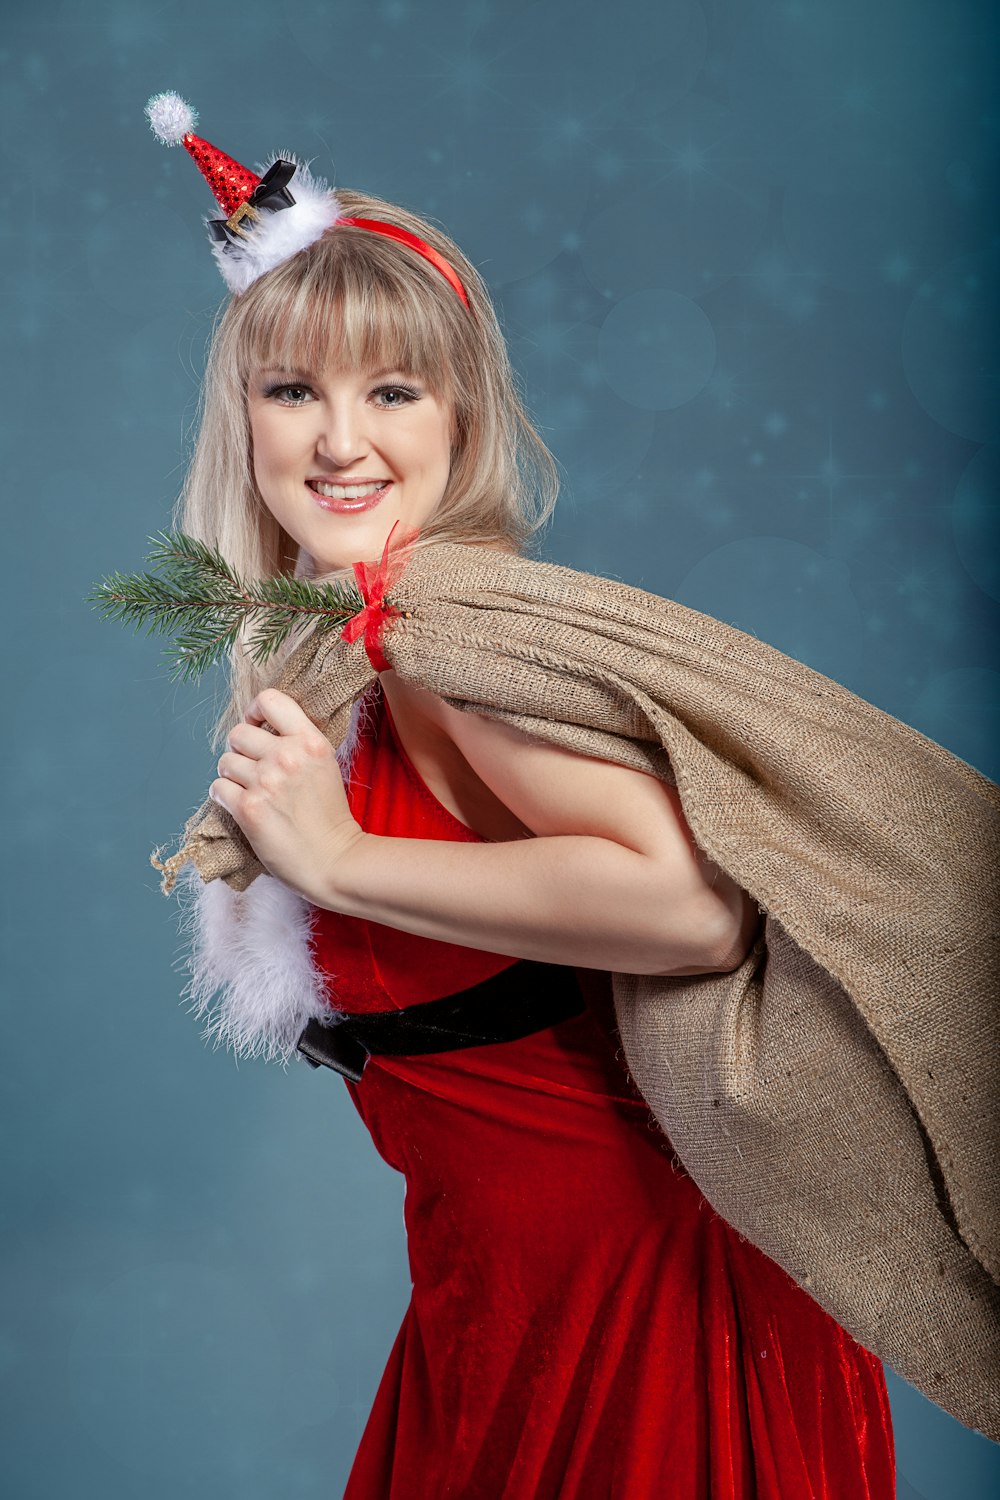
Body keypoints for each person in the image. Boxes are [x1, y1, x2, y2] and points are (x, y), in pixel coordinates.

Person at [145, 94, 896, 1496]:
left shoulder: (448, 630)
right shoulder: (351, 629)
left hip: (640, 1296)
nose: (340, 442)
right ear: (241, 413)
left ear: (463, 413)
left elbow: (693, 908)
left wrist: (346, 859)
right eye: (294, 389)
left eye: (393, 392)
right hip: (505, 1291)